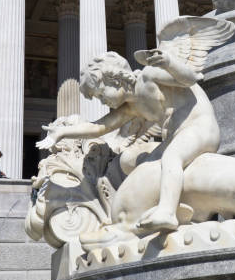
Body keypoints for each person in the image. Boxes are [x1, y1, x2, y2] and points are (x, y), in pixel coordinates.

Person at [38, 48, 220, 232]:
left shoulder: (149, 75)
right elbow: (99, 127)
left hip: (200, 127)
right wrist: (61, 133)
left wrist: (169, 62)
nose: (102, 102)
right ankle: (131, 216)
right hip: (176, 137)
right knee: (139, 166)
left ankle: (168, 212)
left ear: (113, 79)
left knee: (171, 158)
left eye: (101, 94)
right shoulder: (132, 106)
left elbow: (191, 78)